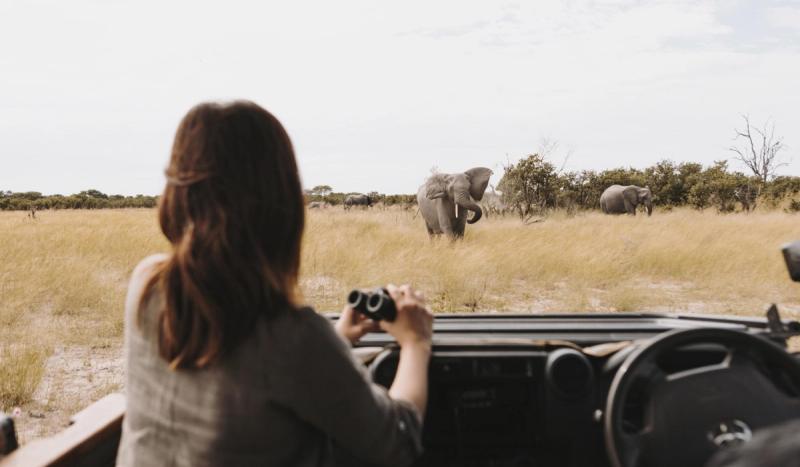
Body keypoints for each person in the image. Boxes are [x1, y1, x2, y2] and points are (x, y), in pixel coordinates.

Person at [116, 101, 434, 467]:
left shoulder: (147, 283)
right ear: (282, 203)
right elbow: (398, 444)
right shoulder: (291, 337)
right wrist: (415, 343)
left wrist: (336, 339)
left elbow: (236, 372)